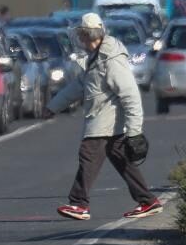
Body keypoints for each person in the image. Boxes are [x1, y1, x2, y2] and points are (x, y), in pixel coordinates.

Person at [47, 12, 160, 221]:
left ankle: (79, 203)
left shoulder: (111, 59)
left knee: (88, 155)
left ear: (87, 35)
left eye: (81, 35)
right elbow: (80, 86)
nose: (79, 39)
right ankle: (148, 201)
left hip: (105, 120)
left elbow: (130, 94)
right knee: (122, 159)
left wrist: (135, 132)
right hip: (105, 121)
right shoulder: (95, 58)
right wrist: (53, 106)